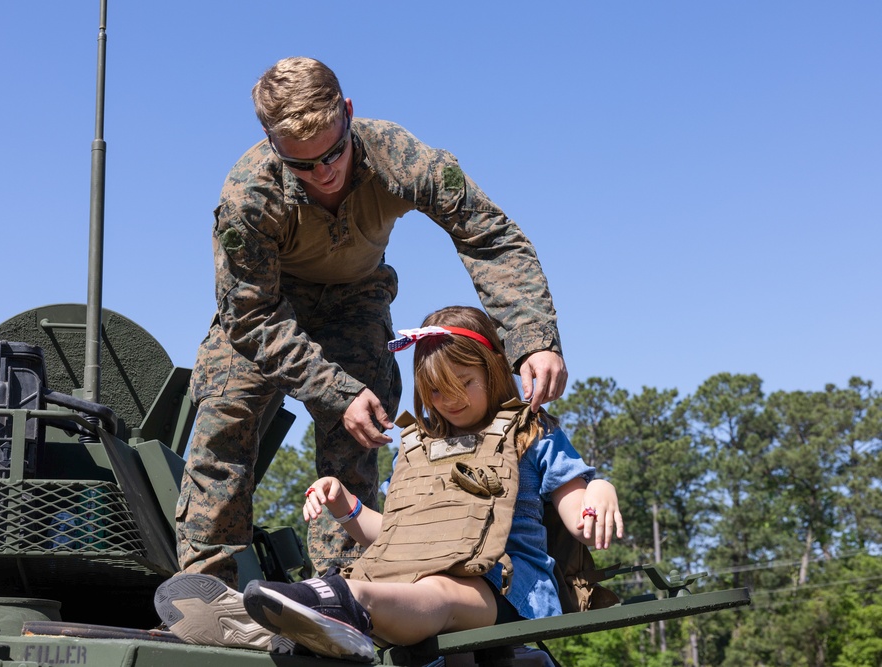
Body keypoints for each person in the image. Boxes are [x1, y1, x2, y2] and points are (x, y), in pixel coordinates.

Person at [162, 56, 567, 650]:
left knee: (361, 433)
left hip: (355, 301)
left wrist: (532, 336)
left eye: (333, 153)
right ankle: (210, 595)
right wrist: (333, 390)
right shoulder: (247, 195)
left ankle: (339, 593)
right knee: (226, 415)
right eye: (303, 163)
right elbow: (248, 314)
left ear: (348, 115)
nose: (324, 174)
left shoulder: (400, 157)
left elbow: (490, 237)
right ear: (271, 143)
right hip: (267, 311)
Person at [159, 306, 622, 661]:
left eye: (464, 383)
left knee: (436, 595)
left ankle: (333, 607)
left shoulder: (530, 433)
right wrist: (347, 508)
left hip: (504, 590)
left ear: (493, 370)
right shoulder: (420, 448)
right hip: (418, 573)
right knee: (390, 580)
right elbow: (400, 537)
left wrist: (599, 491)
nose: (450, 401)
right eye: (437, 391)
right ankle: (294, 621)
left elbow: (579, 515)